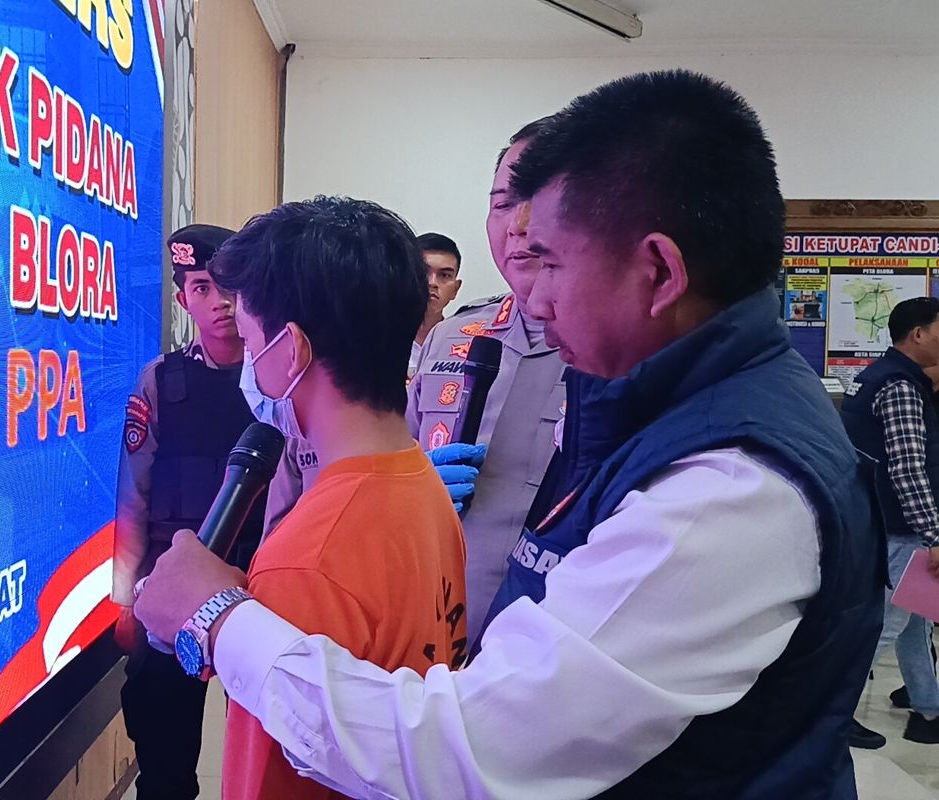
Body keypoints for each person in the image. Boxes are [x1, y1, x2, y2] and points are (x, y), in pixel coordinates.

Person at [135, 70, 883, 799]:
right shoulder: (654, 408)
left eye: (549, 261)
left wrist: (218, 619)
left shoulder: (729, 484)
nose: (533, 296)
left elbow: (473, 752)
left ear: (659, 272)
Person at [195, 196, 467, 799]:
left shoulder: (305, 560)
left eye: (250, 341)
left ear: (290, 350)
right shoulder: (421, 484)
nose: (249, 366)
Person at [112, 224, 268, 799]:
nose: (219, 302)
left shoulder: (280, 377)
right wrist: (124, 600)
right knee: (164, 760)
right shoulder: (160, 380)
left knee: (268, 756)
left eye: (228, 287)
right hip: (170, 586)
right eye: (202, 288)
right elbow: (133, 497)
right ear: (184, 300)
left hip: (262, 583)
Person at [411, 119, 567, 643]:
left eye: (541, 200)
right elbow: (397, 457)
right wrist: (415, 486)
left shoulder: (621, 354)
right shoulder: (452, 336)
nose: (518, 224)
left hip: (548, 634)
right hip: (427, 615)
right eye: (503, 203)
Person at [841, 297, 939, 748]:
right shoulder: (900, 387)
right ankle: (832, 715)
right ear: (919, 334)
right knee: (884, 626)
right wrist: (933, 534)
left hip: (880, 522)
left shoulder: (878, 376)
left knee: (913, 620)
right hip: (901, 529)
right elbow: (907, 469)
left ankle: (928, 702)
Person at [408, 232, 463, 380]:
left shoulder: (464, 347)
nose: (432, 283)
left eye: (444, 275)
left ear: (455, 289)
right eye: (423, 272)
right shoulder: (376, 341)